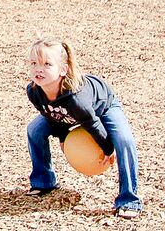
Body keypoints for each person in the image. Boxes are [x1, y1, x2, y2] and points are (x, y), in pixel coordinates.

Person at [26, 37, 142, 218]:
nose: (38, 69)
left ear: (63, 70)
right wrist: (63, 137)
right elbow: (50, 114)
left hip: (103, 107)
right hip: (71, 113)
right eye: (34, 63)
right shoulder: (34, 91)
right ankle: (43, 181)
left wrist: (107, 148)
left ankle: (129, 199)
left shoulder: (76, 98)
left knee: (124, 140)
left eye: (47, 64)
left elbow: (92, 123)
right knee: (34, 130)